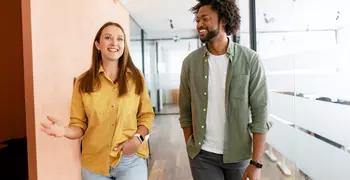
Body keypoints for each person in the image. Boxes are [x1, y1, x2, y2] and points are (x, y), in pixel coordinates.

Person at [41, 22, 154, 180]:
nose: (115, 43)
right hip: (94, 164)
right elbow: (79, 125)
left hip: (130, 160)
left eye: (120, 39)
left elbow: (146, 115)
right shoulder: (83, 82)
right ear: (98, 45)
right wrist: (64, 131)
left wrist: (138, 139)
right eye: (108, 37)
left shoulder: (136, 77)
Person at [178, 0, 271, 180]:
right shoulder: (190, 63)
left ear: (223, 20)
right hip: (202, 155)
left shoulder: (250, 60)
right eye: (197, 20)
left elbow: (261, 113)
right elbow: (185, 109)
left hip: (239, 155)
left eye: (205, 19)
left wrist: (256, 163)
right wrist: (191, 145)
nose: (199, 25)